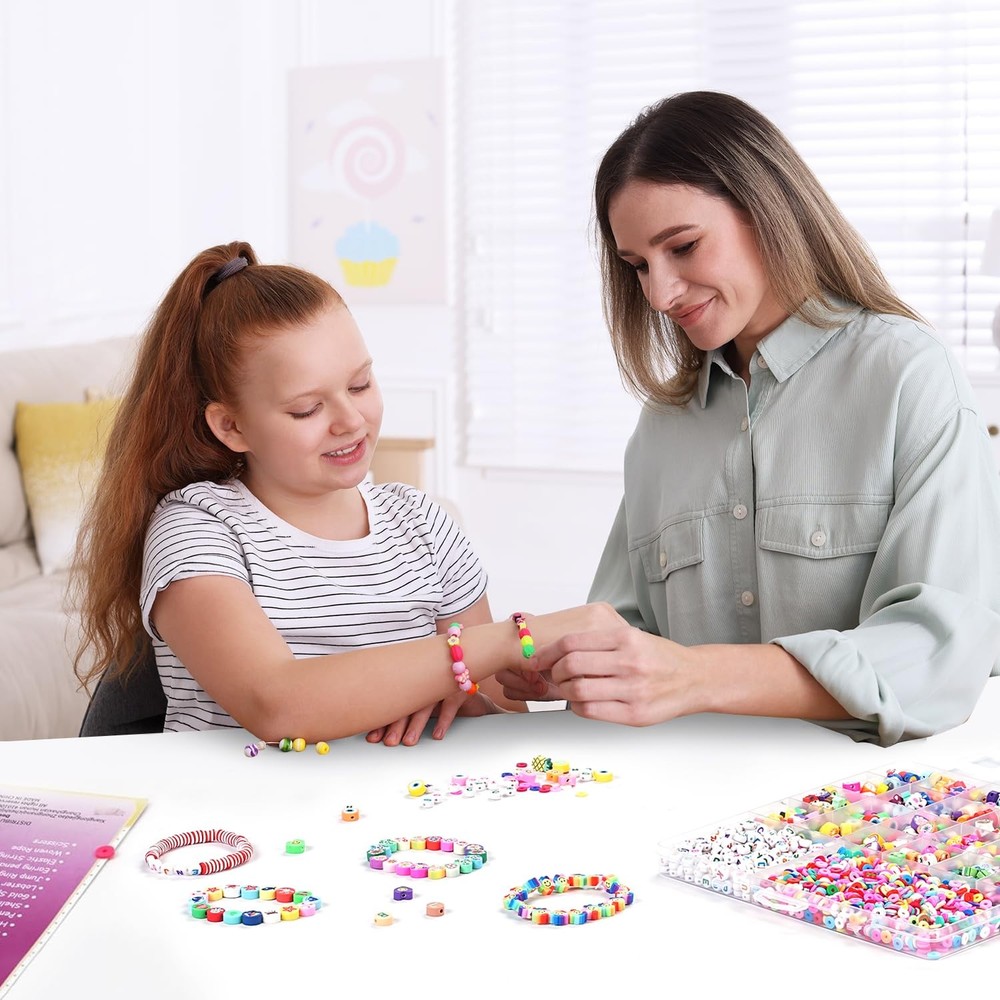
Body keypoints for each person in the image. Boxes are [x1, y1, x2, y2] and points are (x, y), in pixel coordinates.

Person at [497, 90, 1000, 747]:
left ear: (767, 209)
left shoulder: (908, 376)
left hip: (864, 800)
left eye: (683, 246)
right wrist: (575, 670)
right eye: (638, 267)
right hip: (685, 792)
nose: (659, 293)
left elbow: (937, 651)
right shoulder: (662, 428)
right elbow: (631, 629)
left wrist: (696, 677)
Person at [72, 241, 609, 744]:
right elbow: (277, 704)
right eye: (307, 409)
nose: (350, 420)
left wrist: (471, 703)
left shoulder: (425, 525)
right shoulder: (197, 529)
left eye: (360, 384)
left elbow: (499, 715)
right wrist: (502, 642)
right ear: (231, 426)